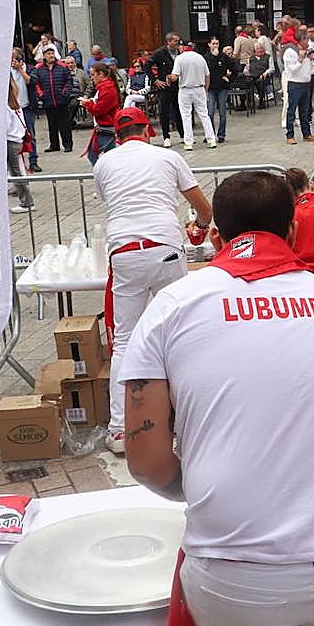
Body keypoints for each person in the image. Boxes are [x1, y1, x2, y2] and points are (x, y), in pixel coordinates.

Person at [119, 170, 314, 626]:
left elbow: (147, 460)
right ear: (291, 233)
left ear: (218, 238)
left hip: (235, 560)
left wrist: (206, 483)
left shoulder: (171, 306)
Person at [93, 107, 213, 454]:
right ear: (147, 131)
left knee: (125, 342)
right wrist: (201, 227)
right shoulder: (168, 157)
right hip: (165, 247)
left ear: (117, 136)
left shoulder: (104, 163)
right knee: (179, 335)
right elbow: (203, 208)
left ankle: (119, 429)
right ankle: (186, 422)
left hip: (126, 251)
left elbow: (109, 200)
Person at [170, 42, 215, 150]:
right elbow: (207, 75)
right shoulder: (200, 57)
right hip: (199, 88)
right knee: (204, 114)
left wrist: (169, 77)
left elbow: (175, 76)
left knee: (186, 116)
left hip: (185, 89)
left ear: (183, 47)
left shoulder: (179, 58)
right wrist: (205, 89)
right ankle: (211, 139)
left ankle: (189, 142)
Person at [30, 49, 75, 153]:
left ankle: (67, 145)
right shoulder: (39, 68)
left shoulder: (62, 66)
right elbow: (36, 84)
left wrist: (65, 93)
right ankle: (54, 145)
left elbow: (69, 81)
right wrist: (41, 95)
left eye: (52, 53)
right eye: (49, 54)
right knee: (52, 124)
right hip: (48, 100)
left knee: (64, 124)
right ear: (44, 56)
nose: (51, 55)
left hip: (61, 100)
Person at [149, 32, 184, 148]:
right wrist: (155, 80)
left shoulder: (180, 52)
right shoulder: (160, 53)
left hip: (178, 86)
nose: (177, 43)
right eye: (175, 41)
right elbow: (147, 66)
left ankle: (183, 135)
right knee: (164, 112)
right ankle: (166, 137)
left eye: (178, 41)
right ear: (169, 42)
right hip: (164, 87)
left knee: (179, 110)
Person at [281, 26, 314, 145]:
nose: (308, 42)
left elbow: (309, 68)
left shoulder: (307, 52)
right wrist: (300, 59)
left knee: (305, 111)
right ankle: (289, 135)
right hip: (295, 84)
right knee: (292, 110)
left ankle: (307, 134)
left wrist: (309, 58)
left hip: (306, 83)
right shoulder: (290, 52)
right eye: (306, 39)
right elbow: (292, 70)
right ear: (299, 40)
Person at [81, 62, 120, 165]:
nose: (92, 78)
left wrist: (87, 104)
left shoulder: (107, 89)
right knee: (110, 156)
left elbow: (98, 110)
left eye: (93, 75)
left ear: (101, 74)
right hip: (106, 126)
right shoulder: (105, 88)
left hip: (106, 127)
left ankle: (103, 175)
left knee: (93, 155)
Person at [10, 48, 41, 172]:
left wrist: (20, 70)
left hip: (27, 106)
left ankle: (33, 161)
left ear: (20, 59)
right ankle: (17, 162)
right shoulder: (7, 71)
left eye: (14, 59)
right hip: (13, 107)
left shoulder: (30, 69)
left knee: (30, 134)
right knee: (14, 136)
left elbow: (31, 81)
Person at [6, 79, 34, 214]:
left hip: (11, 141)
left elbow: (4, 127)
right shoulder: (16, 106)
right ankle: (25, 200)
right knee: (16, 171)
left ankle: (27, 202)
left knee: (16, 173)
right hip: (17, 140)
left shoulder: (7, 108)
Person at [204, 37, 236, 143]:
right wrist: (214, 57)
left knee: (222, 112)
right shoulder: (206, 57)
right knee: (210, 112)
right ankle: (210, 134)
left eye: (217, 43)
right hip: (211, 88)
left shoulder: (224, 57)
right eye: (213, 43)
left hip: (222, 88)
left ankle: (221, 134)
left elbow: (235, 68)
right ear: (209, 45)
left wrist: (229, 79)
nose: (215, 46)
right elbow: (209, 71)